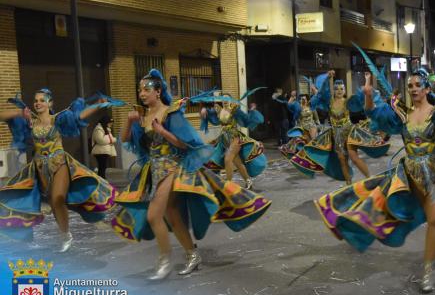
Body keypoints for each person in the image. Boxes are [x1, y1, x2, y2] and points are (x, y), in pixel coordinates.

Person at [314, 70, 435, 293]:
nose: (413, 88)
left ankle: (427, 271)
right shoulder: (402, 115)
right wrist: (367, 93)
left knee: (434, 220)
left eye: (417, 85)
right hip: (412, 173)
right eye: (410, 85)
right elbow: (373, 113)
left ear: (426, 89)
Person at [112, 70, 271, 280]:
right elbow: (125, 139)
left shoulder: (171, 113)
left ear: (158, 92)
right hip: (153, 170)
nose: (142, 93)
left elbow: (185, 144)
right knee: (172, 215)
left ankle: (165, 260)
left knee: (153, 215)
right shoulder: (141, 115)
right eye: (139, 90)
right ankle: (192, 255)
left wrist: (163, 132)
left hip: (172, 167)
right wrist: (129, 122)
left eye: (146, 89)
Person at [0, 89, 118, 251]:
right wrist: (20, 112)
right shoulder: (31, 122)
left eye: (42, 100)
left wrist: (99, 105)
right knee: (54, 203)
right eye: (36, 100)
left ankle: (65, 235)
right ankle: (65, 234)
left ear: (50, 103)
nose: (38, 103)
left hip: (60, 162)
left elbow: (80, 116)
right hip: (40, 167)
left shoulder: (58, 119)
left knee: (58, 198)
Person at [291, 70, 389, 184]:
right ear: (333, 90)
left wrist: (367, 80)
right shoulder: (330, 102)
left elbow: (364, 98)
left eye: (341, 89)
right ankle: (349, 184)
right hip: (336, 135)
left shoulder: (348, 101)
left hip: (349, 132)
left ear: (345, 90)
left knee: (354, 157)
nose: (339, 91)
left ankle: (370, 178)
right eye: (337, 89)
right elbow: (323, 91)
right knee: (342, 160)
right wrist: (328, 77)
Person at [200, 93, 267, 190]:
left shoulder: (235, 110)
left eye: (227, 99)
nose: (225, 100)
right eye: (223, 99)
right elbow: (211, 116)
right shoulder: (219, 110)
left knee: (227, 159)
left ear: (231, 100)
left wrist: (252, 111)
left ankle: (229, 185)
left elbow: (246, 119)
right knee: (238, 163)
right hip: (224, 139)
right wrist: (204, 110)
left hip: (235, 138)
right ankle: (248, 182)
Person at [279, 92, 321, 160]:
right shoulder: (298, 108)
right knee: (302, 142)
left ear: (307, 99)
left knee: (313, 142)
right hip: (302, 127)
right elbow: (289, 105)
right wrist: (291, 98)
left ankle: (314, 157)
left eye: (304, 99)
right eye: (301, 99)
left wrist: (319, 125)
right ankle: (305, 156)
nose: (303, 100)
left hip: (312, 126)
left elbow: (316, 118)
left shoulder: (311, 107)